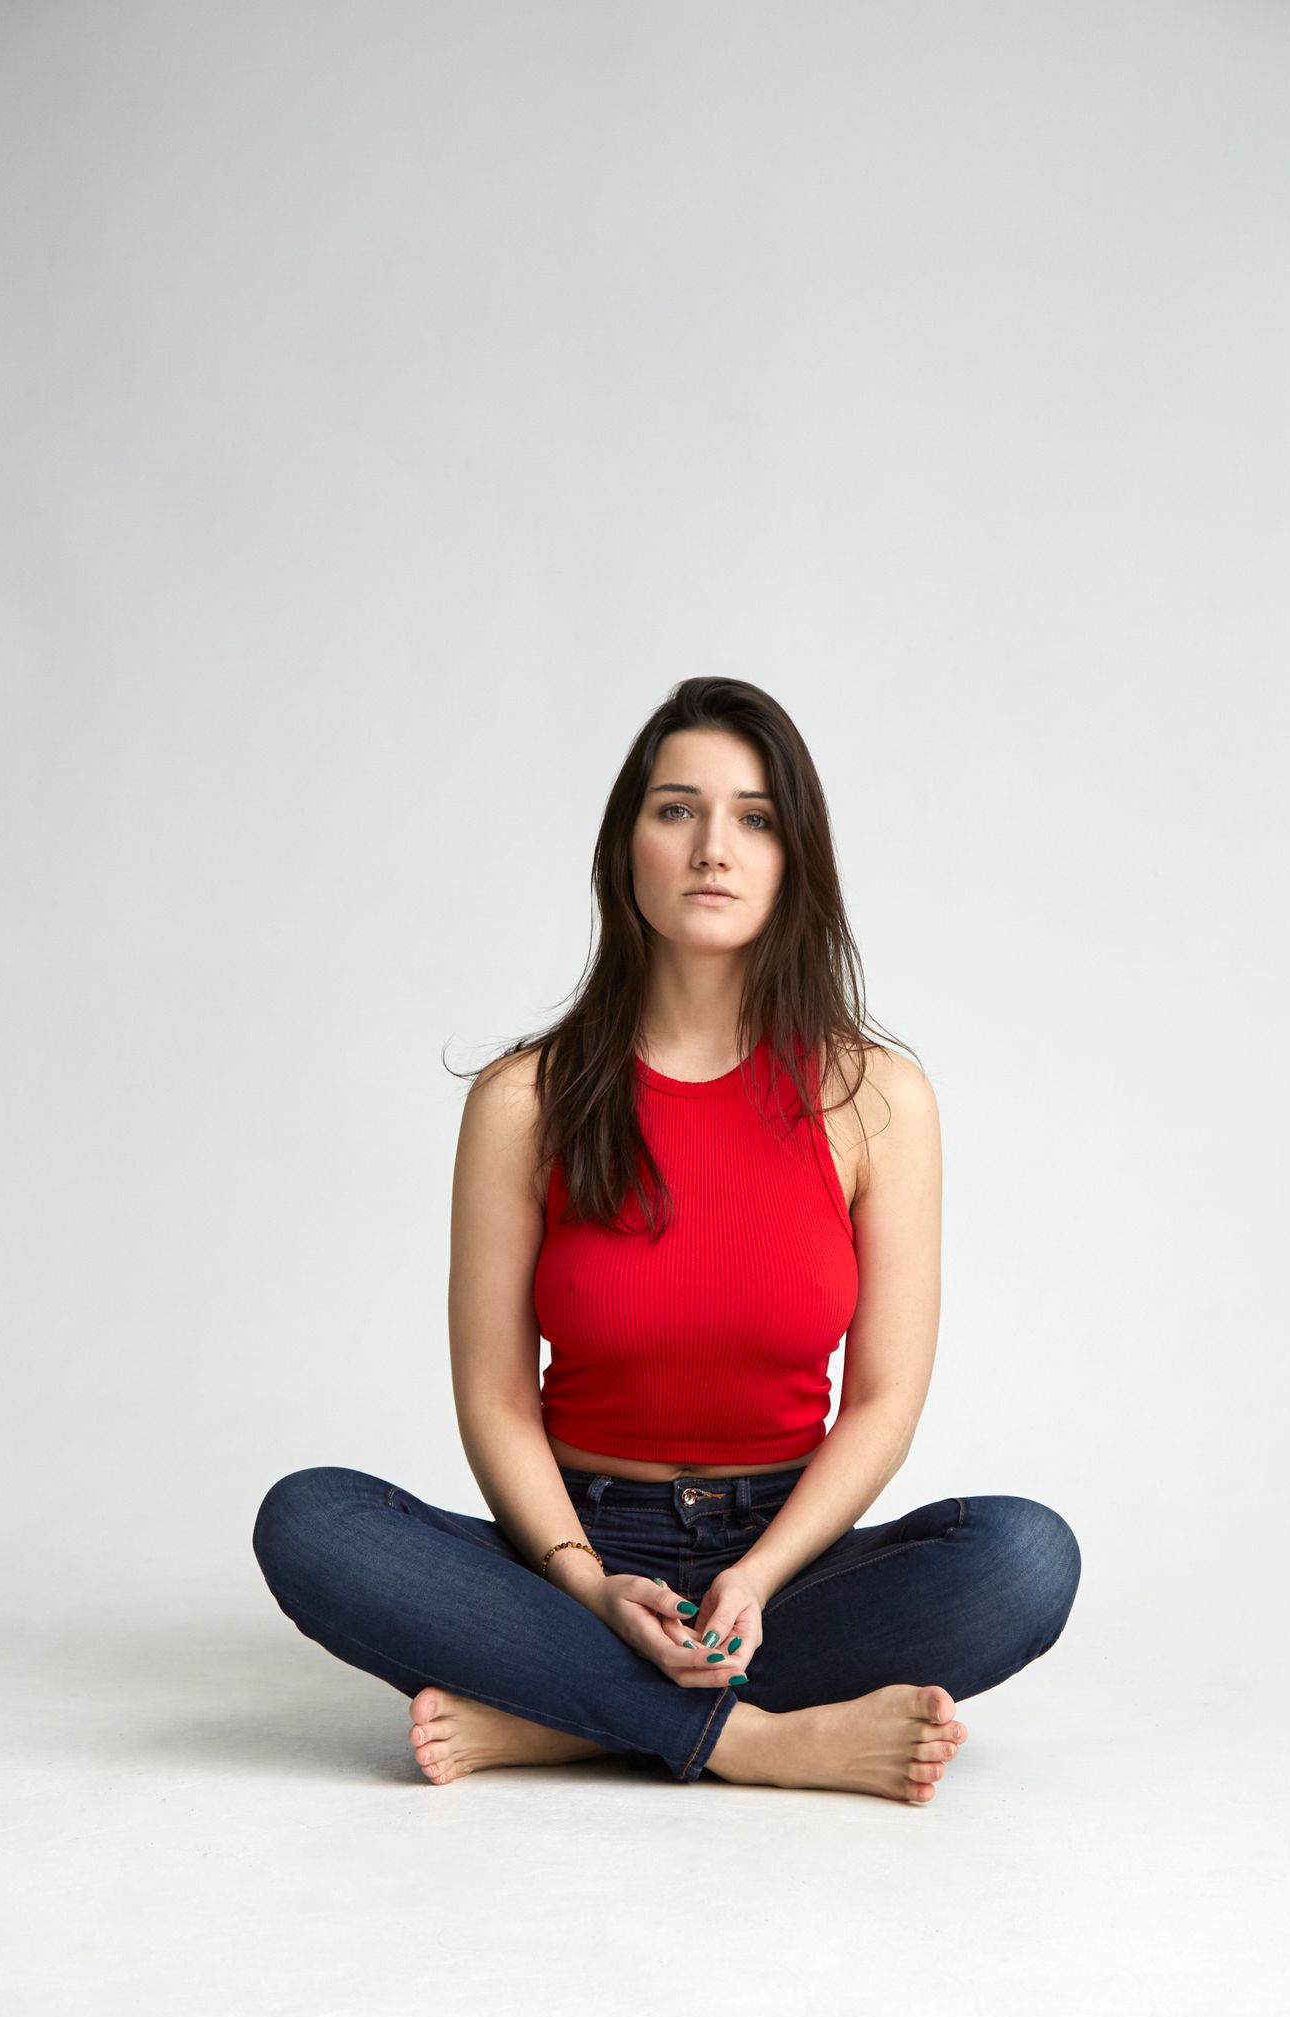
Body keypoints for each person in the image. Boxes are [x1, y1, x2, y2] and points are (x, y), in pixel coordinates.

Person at [252, 675, 1081, 1806]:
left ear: (795, 858)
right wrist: (587, 1585)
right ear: (624, 847)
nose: (712, 849)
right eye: (676, 809)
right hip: (573, 1544)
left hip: (785, 1557)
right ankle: (750, 1740)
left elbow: (884, 1401)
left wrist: (759, 1575)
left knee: (1025, 1558)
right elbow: (496, 1397)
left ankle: (564, 1718)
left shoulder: (878, 1099)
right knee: (311, 1521)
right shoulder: (522, 1100)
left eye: (755, 818)